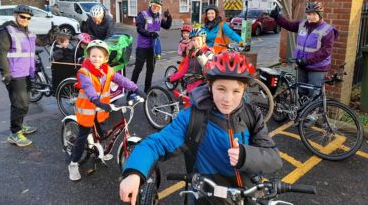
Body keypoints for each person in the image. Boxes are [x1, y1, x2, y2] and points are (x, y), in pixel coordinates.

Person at [119, 51, 283, 204]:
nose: (228, 99)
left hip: (247, 195)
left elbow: (274, 158)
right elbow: (156, 144)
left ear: (244, 90)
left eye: (236, 91)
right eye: (221, 89)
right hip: (205, 197)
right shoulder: (192, 117)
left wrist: (245, 156)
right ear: (210, 86)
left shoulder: (252, 114)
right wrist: (134, 171)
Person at [68, 40, 145, 181]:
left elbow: (122, 80)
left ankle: (100, 150)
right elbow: (88, 87)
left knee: (103, 131)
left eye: (99, 56)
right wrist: (96, 100)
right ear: (88, 56)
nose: (96, 59)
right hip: (87, 109)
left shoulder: (107, 70)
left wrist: (136, 88)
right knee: (82, 137)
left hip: (101, 109)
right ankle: (73, 163)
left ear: (105, 58)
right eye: (93, 56)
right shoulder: (84, 72)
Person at [269, 2, 338, 99]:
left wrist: (307, 59)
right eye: (309, 14)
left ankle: (312, 114)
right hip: (302, 64)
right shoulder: (302, 25)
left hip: (317, 68)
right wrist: (277, 17)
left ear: (320, 15)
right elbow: (288, 25)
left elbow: (325, 51)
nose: (311, 17)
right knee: (300, 91)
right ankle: (302, 113)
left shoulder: (327, 30)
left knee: (313, 94)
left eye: (314, 14)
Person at [0, 5, 38, 147]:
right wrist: (5, 73)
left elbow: (36, 45)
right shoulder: (7, 30)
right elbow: (1, 52)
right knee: (19, 104)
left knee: (25, 103)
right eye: (23, 16)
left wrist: (51, 35)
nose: (26, 19)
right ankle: (14, 133)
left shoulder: (28, 32)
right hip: (14, 74)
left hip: (27, 72)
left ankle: (20, 125)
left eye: (28, 18)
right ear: (15, 15)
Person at [130, 0, 172, 93]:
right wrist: (150, 34)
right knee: (138, 69)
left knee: (150, 70)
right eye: (154, 6)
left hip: (153, 48)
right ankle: (131, 91)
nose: (156, 8)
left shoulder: (159, 16)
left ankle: (147, 90)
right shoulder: (143, 15)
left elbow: (167, 26)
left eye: (158, 6)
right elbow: (139, 29)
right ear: (150, 5)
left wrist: (169, 17)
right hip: (142, 47)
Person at [168, 28, 213, 93]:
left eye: (198, 39)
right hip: (190, 85)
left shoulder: (209, 53)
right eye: (193, 40)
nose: (196, 42)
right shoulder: (191, 53)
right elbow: (183, 70)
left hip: (203, 88)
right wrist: (171, 78)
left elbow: (210, 73)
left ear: (204, 40)